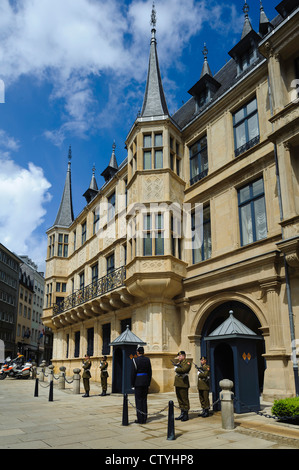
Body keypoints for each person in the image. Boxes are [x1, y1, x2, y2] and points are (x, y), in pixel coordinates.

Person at [131, 346, 152, 424]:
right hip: (145, 382)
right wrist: (149, 383)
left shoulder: (135, 360)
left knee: (138, 401)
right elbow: (150, 372)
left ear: (137, 352)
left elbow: (133, 373)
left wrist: (132, 384)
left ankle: (140, 419)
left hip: (138, 382)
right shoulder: (147, 360)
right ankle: (145, 417)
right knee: (144, 400)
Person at [174, 351, 191, 422]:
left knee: (184, 399)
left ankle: (186, 414)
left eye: (180, 356)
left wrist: (176, 369)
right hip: (178, 383)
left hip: (183, 384)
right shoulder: (179, 363)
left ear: (184, 356)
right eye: (179, 356)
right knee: (179, 399)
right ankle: (182, 413)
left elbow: (185, 370)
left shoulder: (187, 363)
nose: (179, 357)